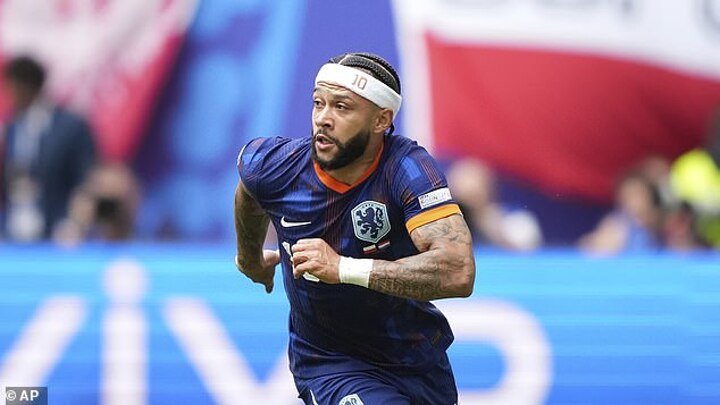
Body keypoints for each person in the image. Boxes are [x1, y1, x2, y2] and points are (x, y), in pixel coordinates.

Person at [234, 52, 475, 404]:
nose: (323, 119)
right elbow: (249, 191)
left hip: (417, 359)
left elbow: (458, 271)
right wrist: (249, 258)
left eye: (342, 107)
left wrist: (343, 268)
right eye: (318, 103)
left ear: (381, 120)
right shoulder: (276, 165)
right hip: (330, 363)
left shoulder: (408, 169)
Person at [1, 55, 96, 241]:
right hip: (14, 233)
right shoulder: (12, 126)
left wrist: (74, 224)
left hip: (57, 234)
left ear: (26, 86)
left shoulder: (70, 127)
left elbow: (85, 181)